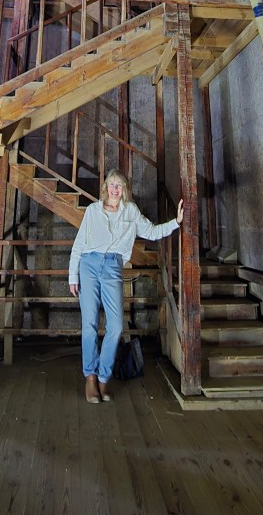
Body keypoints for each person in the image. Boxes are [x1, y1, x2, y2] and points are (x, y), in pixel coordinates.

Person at [69, 170, 183, 403]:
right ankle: (90, 377)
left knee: (116, 326)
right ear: (105, 188)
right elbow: (79, 244)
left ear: (124, 190)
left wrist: (176, 222)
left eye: (119, 185)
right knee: (89, 324)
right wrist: (73, 276)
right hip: (89, 265)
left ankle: (103, 377)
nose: (114, 189)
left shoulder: (131, 211)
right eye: (111, 184)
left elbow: (151, 231)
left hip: (112, 266)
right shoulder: (93, 210)